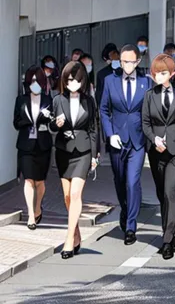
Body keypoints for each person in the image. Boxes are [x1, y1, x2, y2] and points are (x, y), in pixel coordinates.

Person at [142, 55, 175, 260]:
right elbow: (145, 122)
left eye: (163, 72)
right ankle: (170, 233)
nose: (158, 76)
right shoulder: (149, 95)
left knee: (169, 192)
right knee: (161, 194)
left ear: (172, 74)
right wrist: (154, 139)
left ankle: (166, 240)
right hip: (156, 151)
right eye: (156, 72)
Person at [100, 44, 152, 245]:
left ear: (138, 61)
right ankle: (125, 209)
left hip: (138, 140)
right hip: (117, 139)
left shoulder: (145, 82)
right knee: (120, 182)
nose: (127, 65)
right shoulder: (110, 81)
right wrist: (110, 133)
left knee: (133, 181)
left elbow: (150, 110)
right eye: (124, 61)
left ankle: (131, 226)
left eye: (131, 61)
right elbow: (104, 110)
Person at [50, 62, 98, 259]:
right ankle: (76, 233)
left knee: (77, 194)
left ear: (83, 81)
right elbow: (52, 127)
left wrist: (95, 155)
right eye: (70, 80)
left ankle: (69, 239)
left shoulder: (89, 101)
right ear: (64, 80)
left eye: (77, 80)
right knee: (68, 197)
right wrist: (56, 124)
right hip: (63, 151)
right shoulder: (57, 100)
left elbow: (94, 129)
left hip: (83, 151)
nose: (73, 83)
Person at [13, 66, 53, 230]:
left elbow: (52, 121)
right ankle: (30, 214)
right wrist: (29, 121)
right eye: (32, 81)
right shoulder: (21, 100)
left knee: (40, 181)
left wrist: (46, 119)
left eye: (38, 82)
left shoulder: (48, 100)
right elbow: (16, 122)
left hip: (43, 144)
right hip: (26, 144)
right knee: (28, 179)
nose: (35, 84)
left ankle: (38, 206)